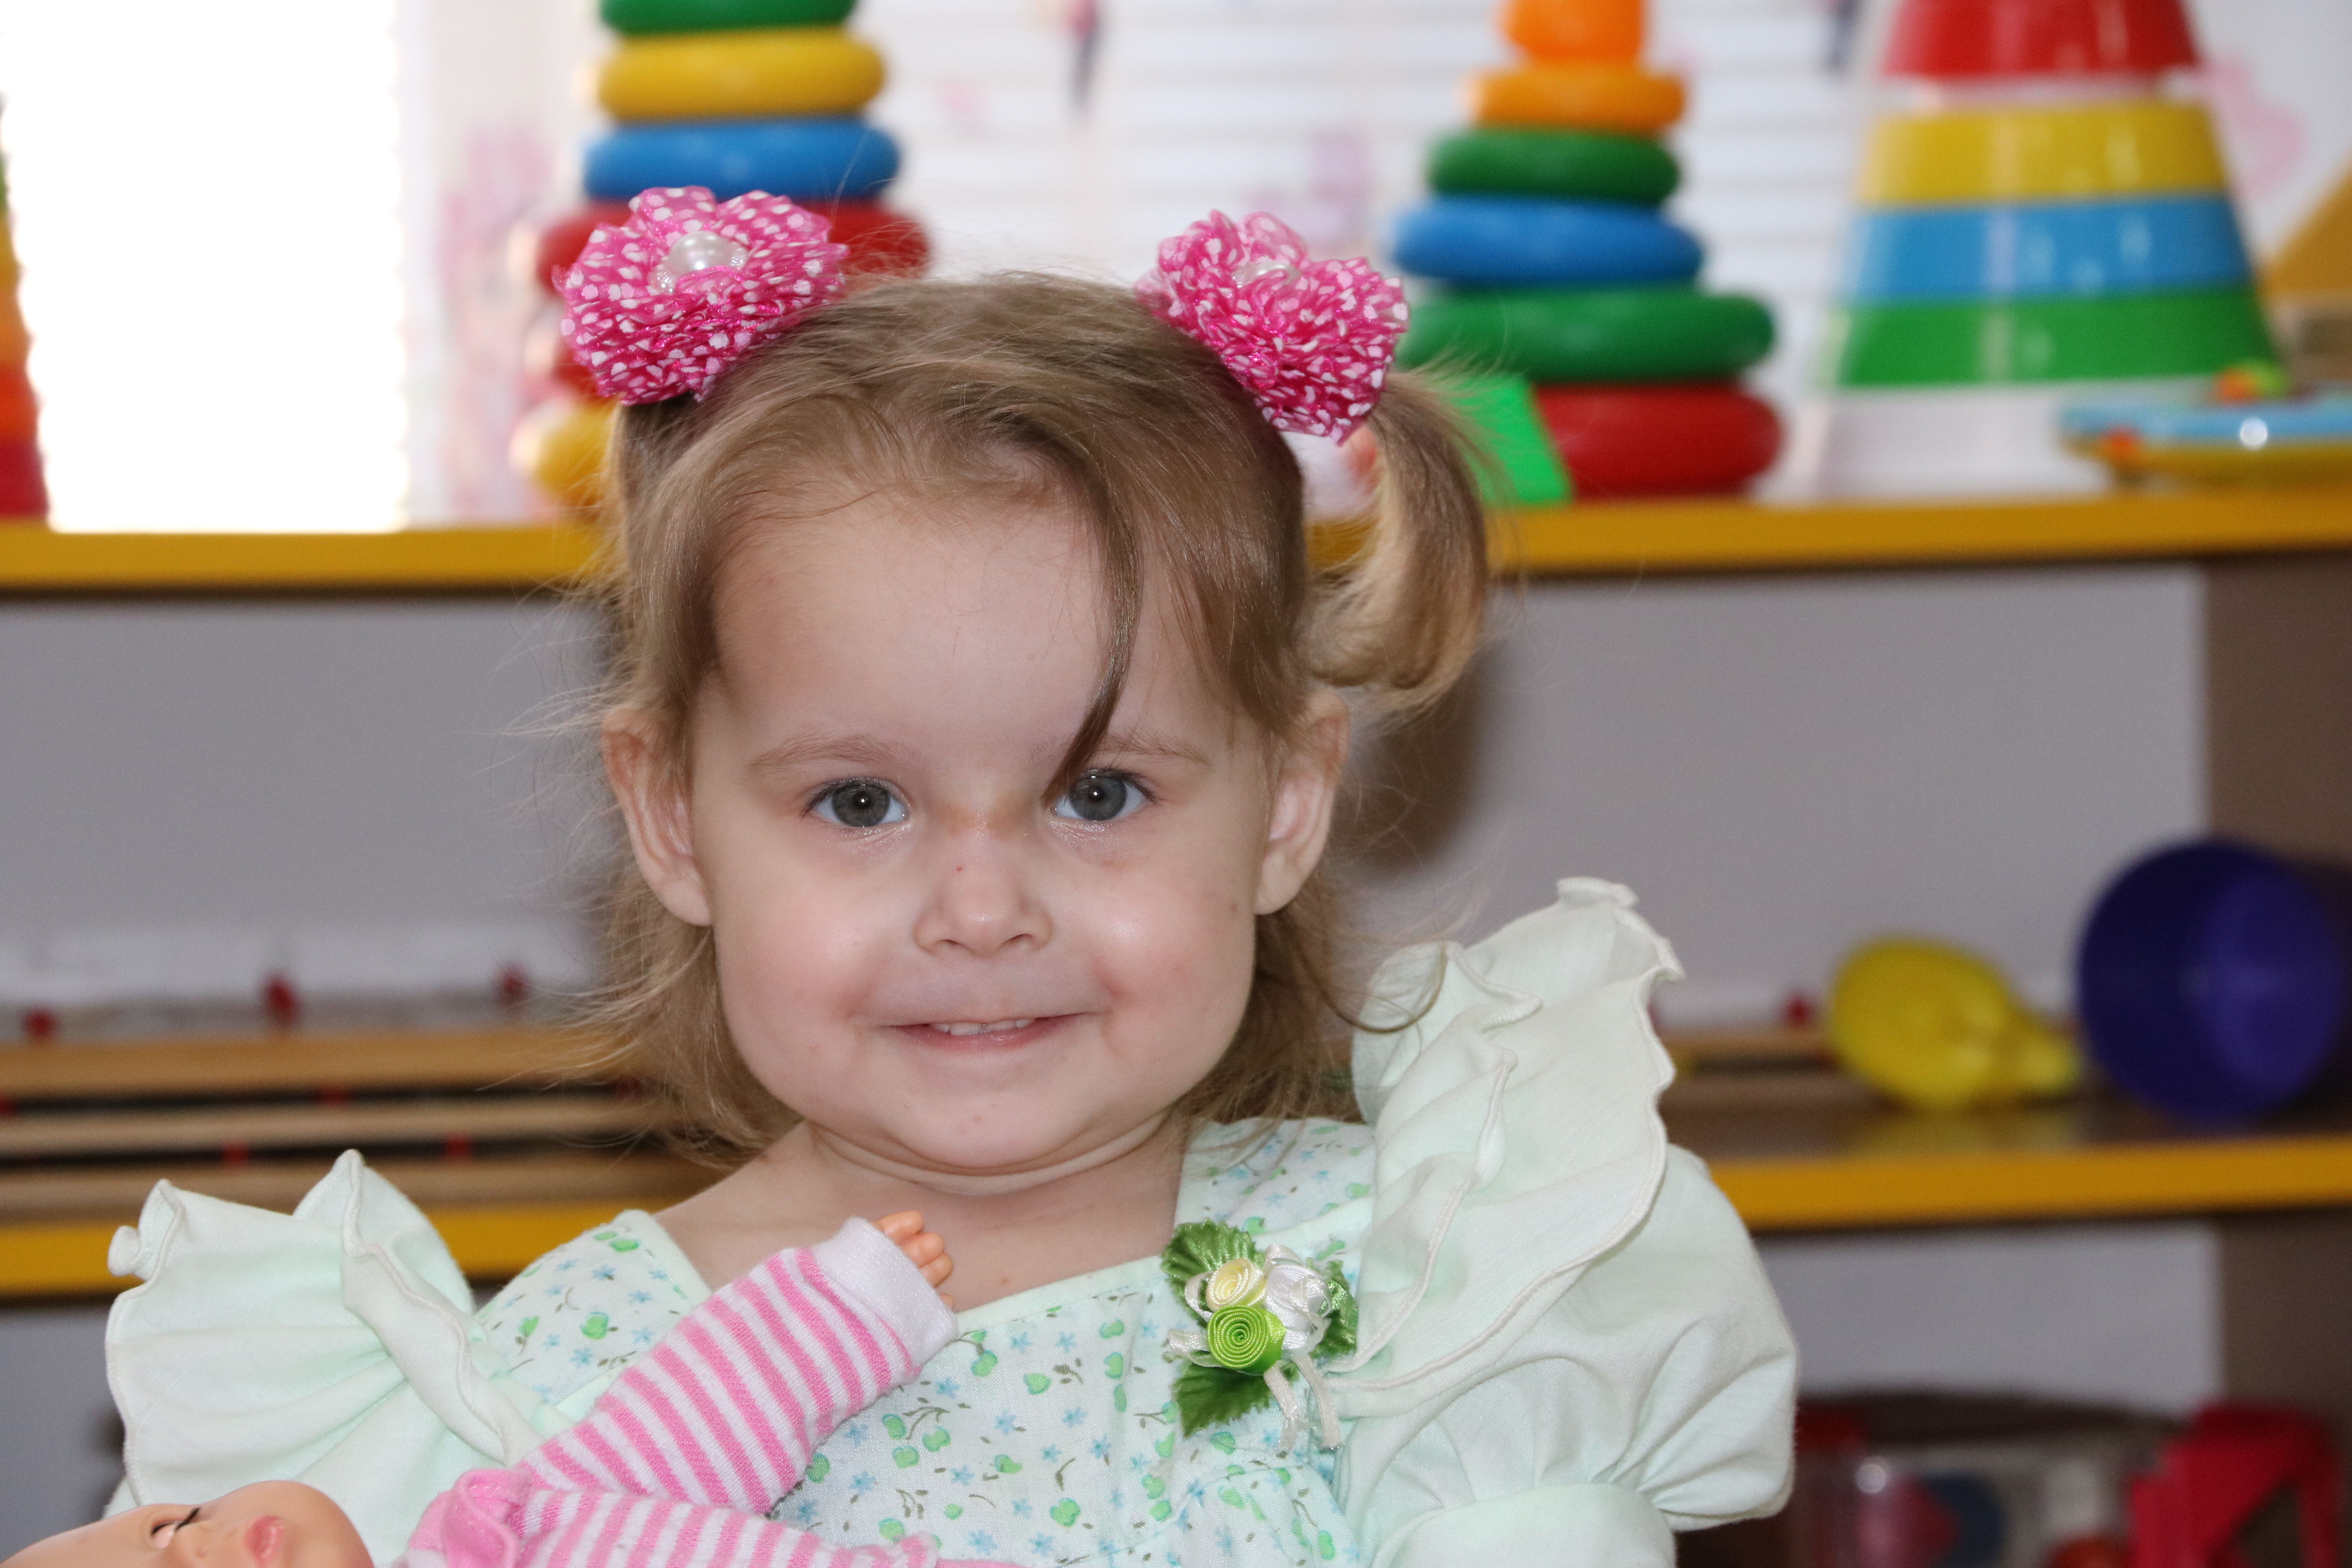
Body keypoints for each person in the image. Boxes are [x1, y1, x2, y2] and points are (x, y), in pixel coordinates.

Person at [109, 189, 1798, 1567]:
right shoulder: (551, 1387)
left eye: (1100, 792)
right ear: (672, 817)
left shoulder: (1418, 1289)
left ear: (1287, 804)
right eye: (859, 802)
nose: (982, 911)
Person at [26, 1206, 1014, 1568]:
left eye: (171, 1521)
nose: (196, 1543)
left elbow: (675, 1436)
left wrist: (847, 1307)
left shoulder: (492, 1525)